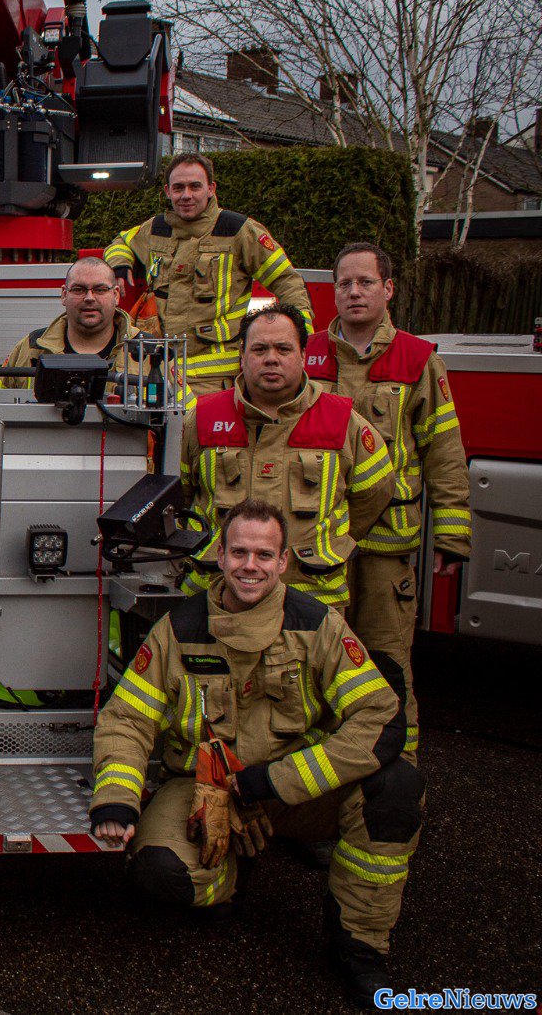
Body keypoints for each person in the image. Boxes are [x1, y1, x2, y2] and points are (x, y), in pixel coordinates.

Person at [91, 499, 419, 1006]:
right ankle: (227, 880)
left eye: (264, 555)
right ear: (219, 555)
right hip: (206, 791)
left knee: (394, 789)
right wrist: (116, 797)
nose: (251, 566)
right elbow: (127, 719)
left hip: (294, 790)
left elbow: (381, 720)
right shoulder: (180, 629)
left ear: (283, 562)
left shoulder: (318, 626)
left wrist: (274, 782)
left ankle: (359, 947)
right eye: (239, 551)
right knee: (158, 875)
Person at [306, 242, 471, 760]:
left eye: (366, 283)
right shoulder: (306, 353)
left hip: (384, 547)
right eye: (345, 284)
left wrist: (451, 534)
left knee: (385, 666)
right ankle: (321, 790)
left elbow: (444, 450)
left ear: (388, 288)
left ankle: (392, 784)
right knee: (318, 663)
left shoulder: (418, 359)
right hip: (319, 540)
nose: (354, 293)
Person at [180, 304, 394, 611]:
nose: (271, 358)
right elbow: (181, 494)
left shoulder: (342, 421)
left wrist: (329, 539)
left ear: (303, 356)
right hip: (217, 596)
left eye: (283, 348)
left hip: (312, 599)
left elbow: (374, 493)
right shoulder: (202, 418)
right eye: (259, 349)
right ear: (242, 356)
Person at [104, 153, 311, 393]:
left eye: (195, 186)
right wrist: (120, 264)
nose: (186, 195)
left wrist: (301, 336)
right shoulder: (156, 228)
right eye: (178, 188)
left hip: (216, 380)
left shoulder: (238, 230)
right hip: (159, 371)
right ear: (167, 191)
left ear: (211, 189)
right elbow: (119, 242)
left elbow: (287, 281)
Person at [0, 257, 192, 409]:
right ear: (64, 295)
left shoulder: (150, 352)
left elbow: (187, 418)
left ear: (115, 295)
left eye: (99, 290)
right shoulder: (31, 347)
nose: (89, 298)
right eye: (79, 290)